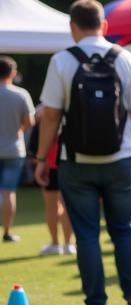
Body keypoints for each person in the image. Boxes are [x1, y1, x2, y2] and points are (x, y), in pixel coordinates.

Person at [34, 0, 131, 305]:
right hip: (120, 160)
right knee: (125, 230)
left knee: (86, 234)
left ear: (72, 26)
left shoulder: (61, 61)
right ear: (105, 26)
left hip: (76, 162)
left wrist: (40, 159)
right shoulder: (125, 59)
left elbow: (49, 116)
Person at [27, 104, 75, 255]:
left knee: (52, 205)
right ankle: (68, 244)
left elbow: (35, 146)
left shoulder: (44, 111)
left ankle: (56, 243)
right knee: (67, 205)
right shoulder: (72, 106)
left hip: (49, 163)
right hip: (69, 162)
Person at [0, 57, 35, 243]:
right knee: (8, 192)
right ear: (12, 73)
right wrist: (19, 131)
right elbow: (30, 122)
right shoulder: (21, 94)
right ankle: (7, 231)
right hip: (14, 149)